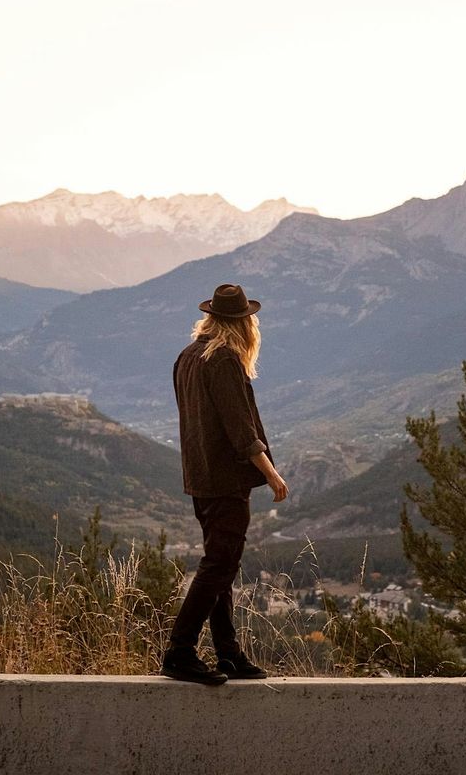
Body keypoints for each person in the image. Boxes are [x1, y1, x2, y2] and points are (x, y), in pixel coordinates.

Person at [160, 283, 289, 685]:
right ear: (243, 324)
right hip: (225, 480)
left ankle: (228, 653)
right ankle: (179, 651)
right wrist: (271, 473)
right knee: (219, 566)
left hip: (199, 477)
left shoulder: (188, 356)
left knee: (221, 565)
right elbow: (241, 430)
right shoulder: (223, 360)